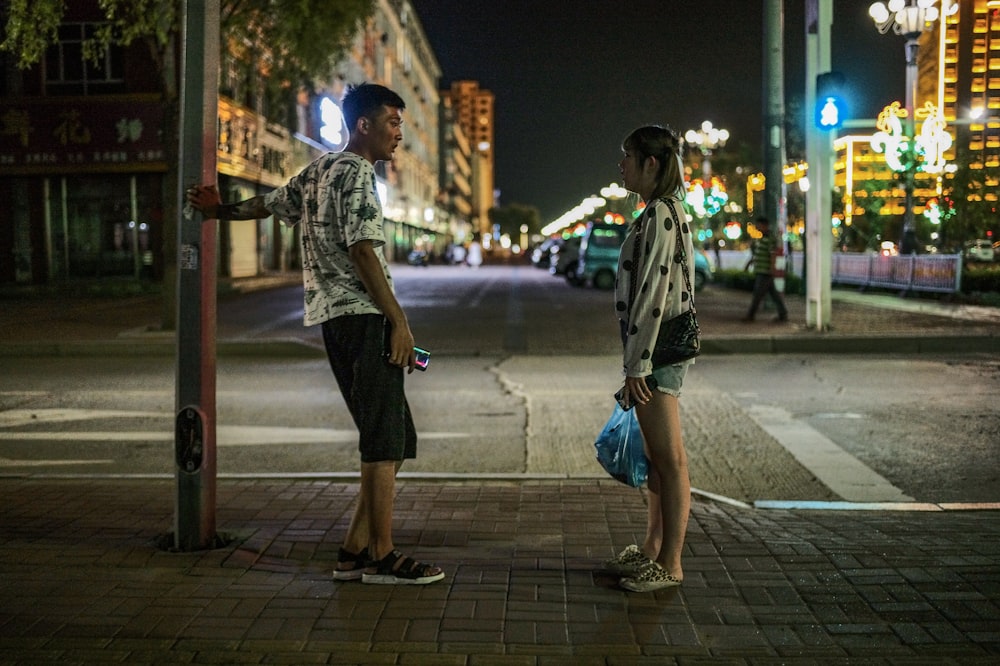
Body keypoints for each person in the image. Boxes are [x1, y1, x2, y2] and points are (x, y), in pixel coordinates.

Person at [185, 83, 444, 586]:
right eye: (392, 122)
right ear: (363, 125)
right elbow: (364, 252)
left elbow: (267, 204)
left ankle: (353, 550)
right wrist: (400, 322)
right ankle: (382, 557)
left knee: (390, 437)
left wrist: (218, 211)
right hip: (366, 320)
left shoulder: (320, 170)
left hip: (334, 321)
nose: (399, 134)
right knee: (383, 440)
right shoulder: (359, 176)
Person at [605, 125, 694, 592]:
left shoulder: (660, 213)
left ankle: (671, 562)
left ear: (650, 164)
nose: (621, 166)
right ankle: (652, 549)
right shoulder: (663, 211)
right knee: (660, 459)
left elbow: (652, 296)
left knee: (670, 458)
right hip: (656, 349)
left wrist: (636, 365)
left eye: (627, 156)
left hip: (657, 350)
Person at [742, 216, 788, 322]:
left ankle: (751, 315)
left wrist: (772, 269)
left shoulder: (770, 238)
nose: (757, 227)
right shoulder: (762, 238)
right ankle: (783, 314)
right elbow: (759, 254)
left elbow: (773, 254)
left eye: (759, 225)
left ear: (765, 225)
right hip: (762, 270)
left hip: (765, 271)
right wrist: (750, 263)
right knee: (774, 294)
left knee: (758, 294)